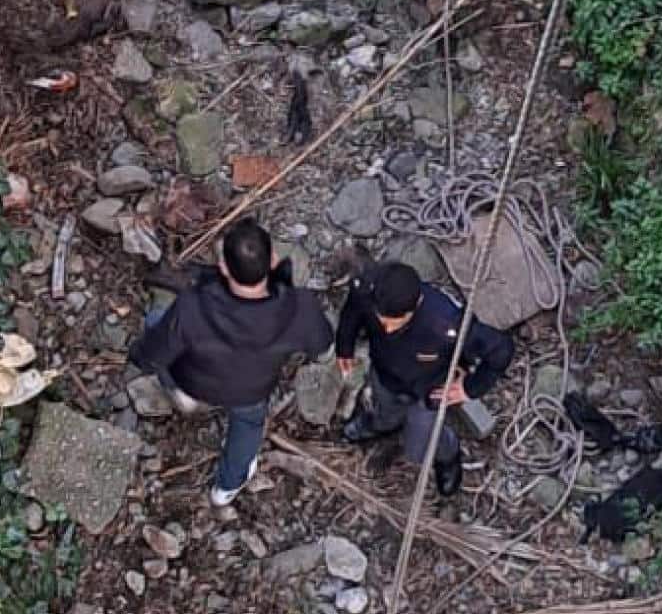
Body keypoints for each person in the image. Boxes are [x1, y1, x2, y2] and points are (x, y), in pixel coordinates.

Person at [128, 218, 332, 509]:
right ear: (273, 260)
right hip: (250, 391)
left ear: (223, 267)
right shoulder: (301, 308)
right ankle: (226, 487)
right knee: (248, 425)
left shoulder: (191, 307)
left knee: (155, 320)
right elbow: (323, 348)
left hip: (193, 382)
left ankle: (183, 398)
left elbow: (149, 359)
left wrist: (139, 356)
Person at [334, 260, 515, 502]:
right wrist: (344, 347)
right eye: (381, 317)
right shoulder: (370, 288)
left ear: (415, 306)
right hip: (386, 373)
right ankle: (378, 424)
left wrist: (470, 388)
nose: (385, 327)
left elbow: (501, 349)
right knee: (384, 409)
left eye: (395, 320)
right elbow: (353, 310)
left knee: (420, 445)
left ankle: (447, 456)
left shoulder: (446, 322)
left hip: (428, 388)